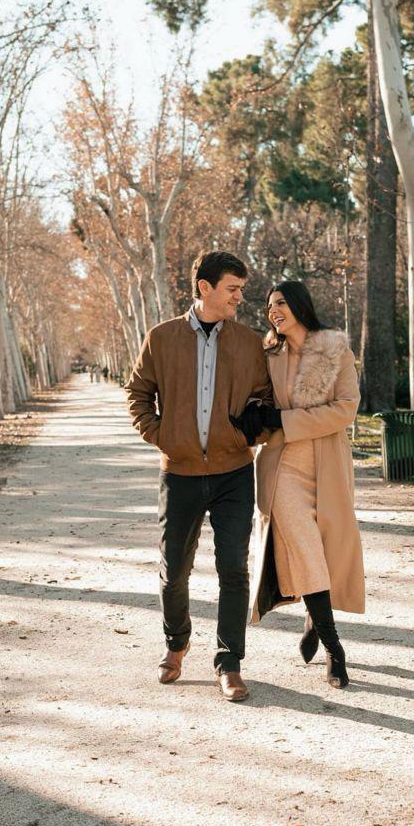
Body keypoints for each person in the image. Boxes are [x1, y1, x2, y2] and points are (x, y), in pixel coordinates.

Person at [125, 251, 273, 702]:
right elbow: (137, 393)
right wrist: (163, 436)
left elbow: (264, 401)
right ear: (205, 288)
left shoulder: (248, 343)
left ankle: (229, 663)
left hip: (233, 472)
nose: (240, 298)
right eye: (233, 288)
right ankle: (176, 644)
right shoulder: (161, 337)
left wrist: (244, 435)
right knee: (174, 571)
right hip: (180, 472)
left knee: (234, 568)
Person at [232, 280, 364, 689]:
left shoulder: (334, 351)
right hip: (282, 465)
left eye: (281, 303)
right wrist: (260, 417)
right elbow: (252, 398)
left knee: (322, 549)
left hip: (326, 465)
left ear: (300, 306)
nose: (273, 310)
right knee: (306, 546)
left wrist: (285, 420)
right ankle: (334, 648)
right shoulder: (266, 353)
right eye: (270, 305)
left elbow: (346, 409)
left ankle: (313, 619)